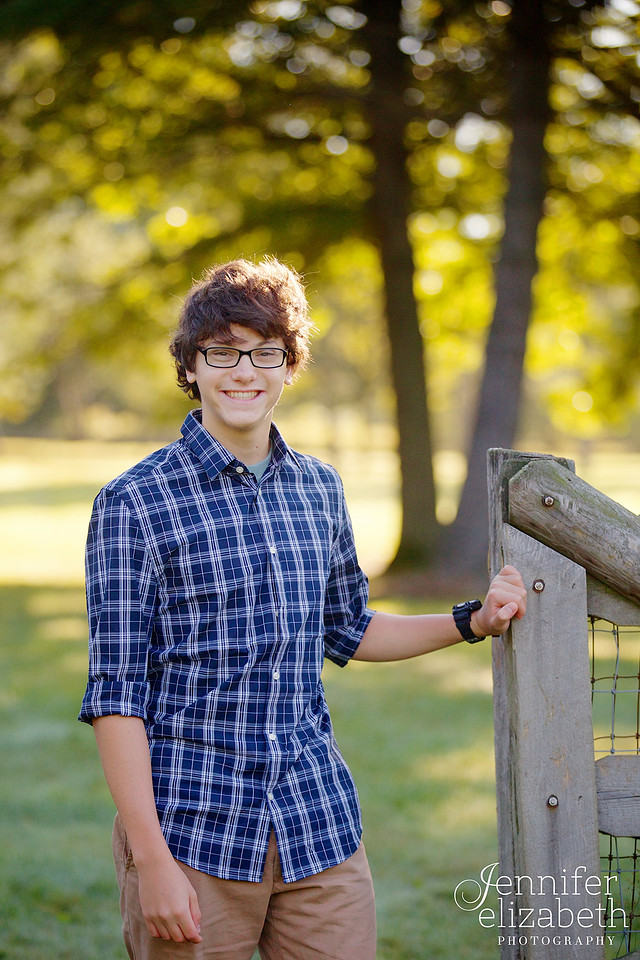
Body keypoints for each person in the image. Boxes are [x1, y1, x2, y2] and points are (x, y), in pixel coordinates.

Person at [79, 257, 526, 960]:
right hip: (194, 834)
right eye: (221, 352)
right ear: (191, 366)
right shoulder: (134, 502)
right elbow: (117, 696)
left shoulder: (318, 489)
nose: (243, 372)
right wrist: (152, 861)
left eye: (265, 352)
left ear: (290, 365)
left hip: (317, 826)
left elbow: (348, 629)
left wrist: (471, 621)